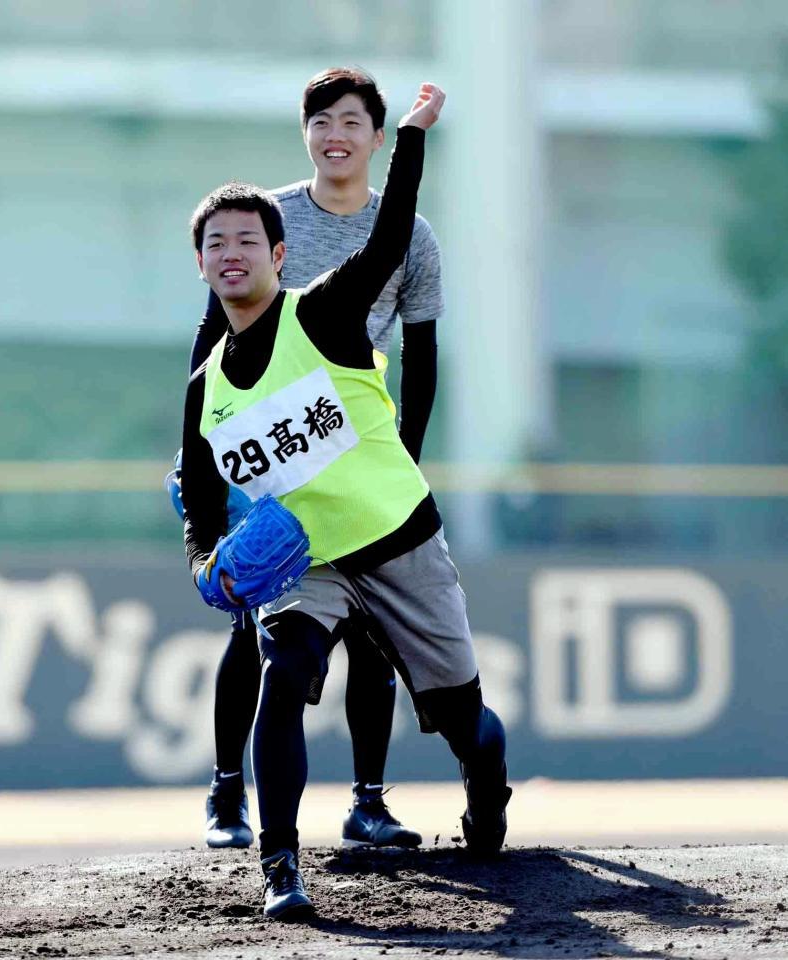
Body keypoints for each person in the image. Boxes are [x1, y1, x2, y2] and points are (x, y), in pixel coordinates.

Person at [179, 82, 511, 921]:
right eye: (216, 244)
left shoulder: (323, 313)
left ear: (280, 255)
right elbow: (200, 501)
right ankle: (280, 866)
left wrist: (411, 137)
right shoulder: (205, 388)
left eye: (247, 241)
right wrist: (204, 561)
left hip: (398, 538)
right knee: (283, 673)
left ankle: (485, 789)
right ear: (200, 264)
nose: (232, 254)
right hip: (311, 556)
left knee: (464, 721)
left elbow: (392, 234)